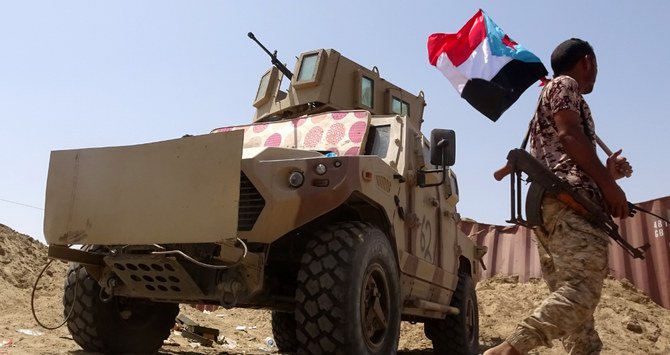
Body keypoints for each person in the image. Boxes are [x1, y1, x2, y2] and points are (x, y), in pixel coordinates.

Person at [484, 38, 633, 355]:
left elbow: (560, 151)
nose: (595, 75)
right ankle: (509, 349)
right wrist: (610, 185)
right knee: (581, 290)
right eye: (595, 67)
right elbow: (568, 135)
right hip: (568, 204)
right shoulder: (565, 84)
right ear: (587, 61)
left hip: (549, 206)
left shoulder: (547, 96)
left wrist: (607, 172)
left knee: (577, 318)